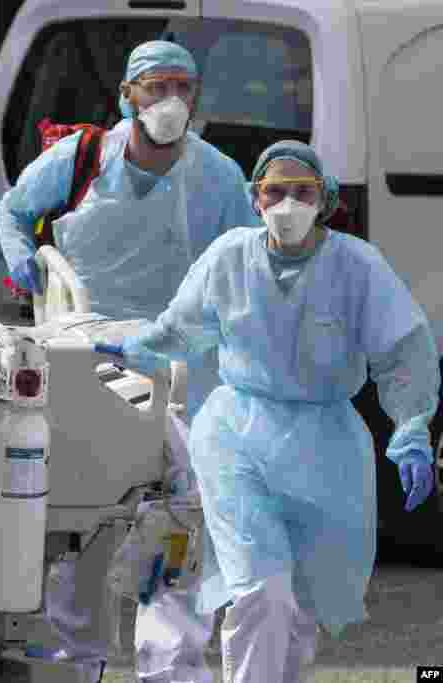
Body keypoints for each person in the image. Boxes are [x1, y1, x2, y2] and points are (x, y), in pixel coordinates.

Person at [96, 139, 439, 683]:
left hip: (326, 448)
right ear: (254, 199)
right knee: (260, 590)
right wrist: (136, 348)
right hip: (238, 435)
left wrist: (412, 427)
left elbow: (403, 353)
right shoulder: (232, 255)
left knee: (299, 610)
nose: (287, 205)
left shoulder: (356, 266)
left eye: (301, 193)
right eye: (275, 192)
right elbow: (183, 327)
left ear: (324, 200)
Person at [0, 40, 259, 682]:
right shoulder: (83, 157)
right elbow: (15, 209)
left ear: (195, 99)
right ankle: (72, 662)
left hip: (181, 362)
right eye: (155, 85)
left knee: (178, 517)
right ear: (127, 95)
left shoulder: (219, 176)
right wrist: (19, 256)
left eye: (181, 87)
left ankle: (172, 666)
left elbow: (247, 264)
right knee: (82, 511)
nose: (169, 100)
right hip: (86, 346)